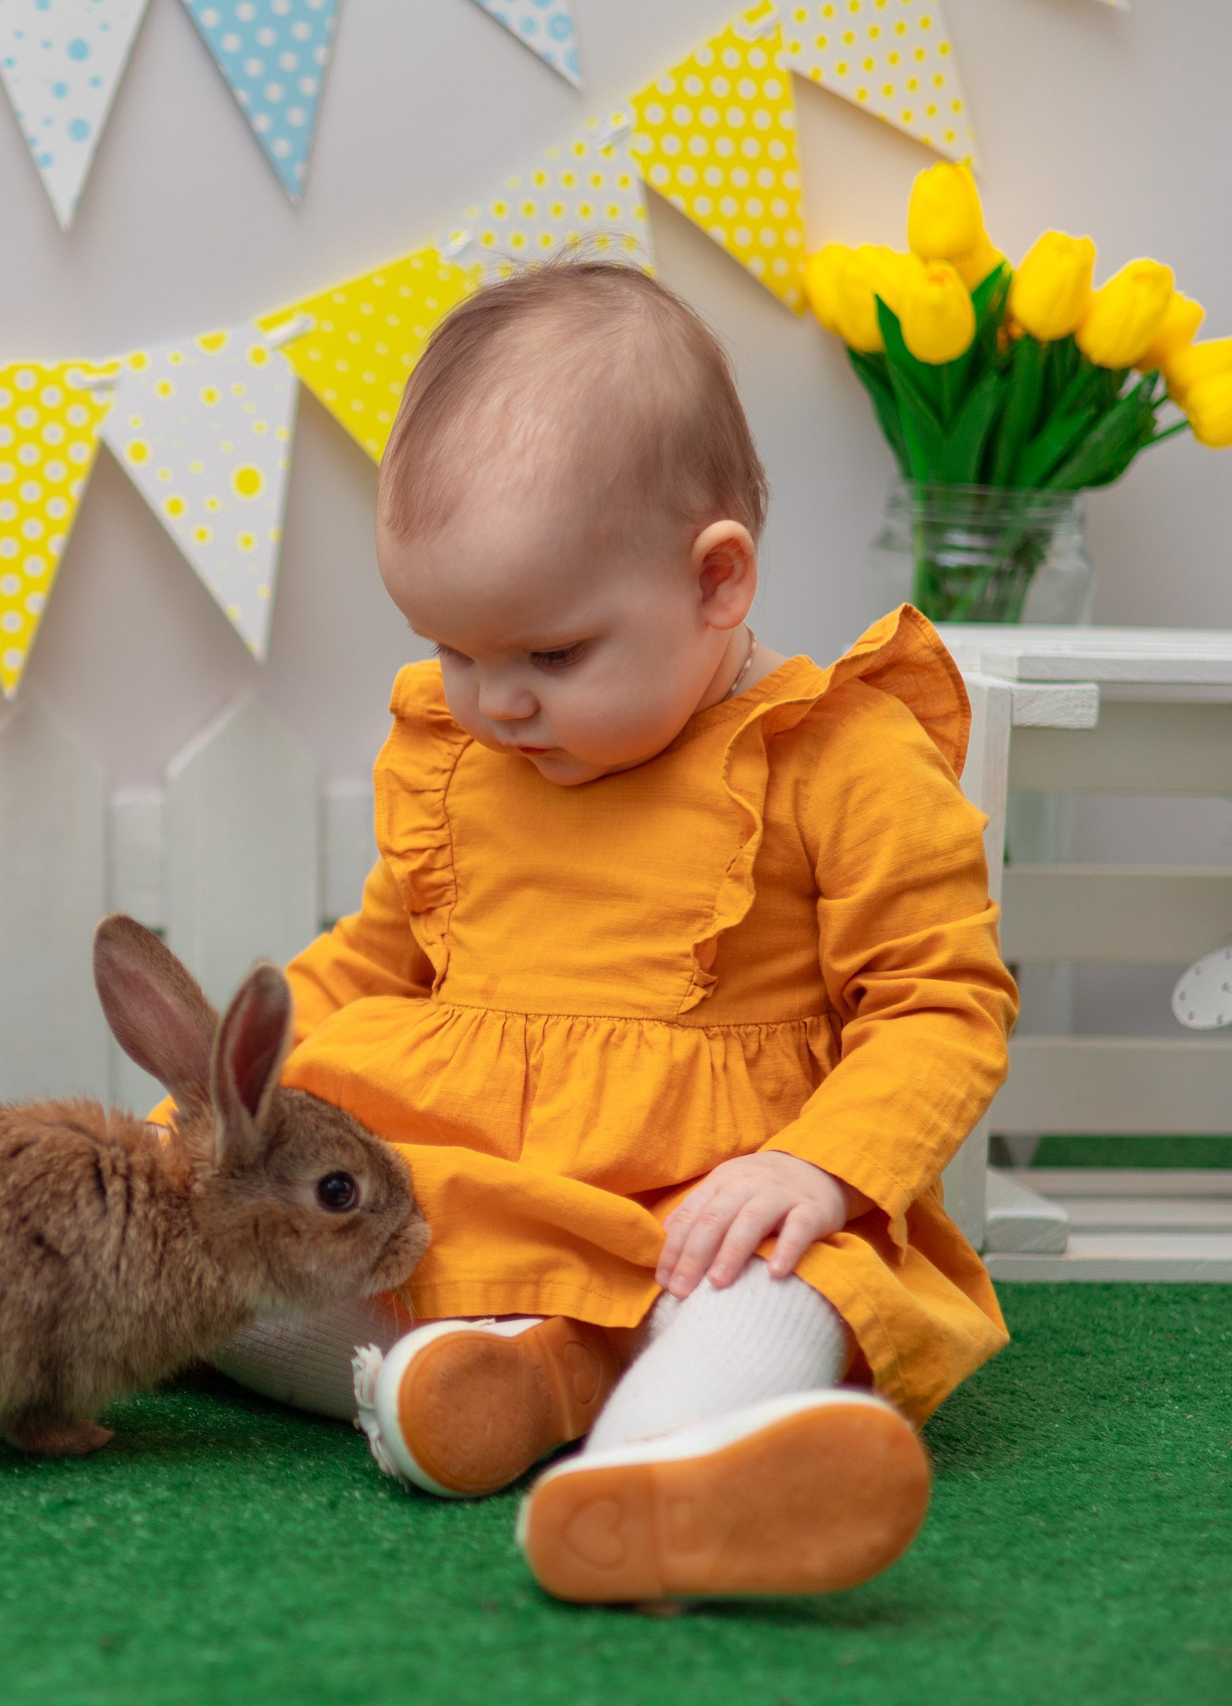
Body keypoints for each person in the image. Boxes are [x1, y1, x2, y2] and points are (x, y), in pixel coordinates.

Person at [203, 260, 1017, 1604]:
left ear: (716, 582)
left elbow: (941, 1004)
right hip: (474, 1203)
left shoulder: (844, 761)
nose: (495, 701)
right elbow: (378, 955)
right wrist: (239, 1099)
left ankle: (648, 1476)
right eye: (457, 650)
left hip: (718, 1207)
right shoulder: (460, 754)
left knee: (779, 1295)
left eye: (550, 655)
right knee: (213, 1269)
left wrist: (818, 1172)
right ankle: (484, 1378)